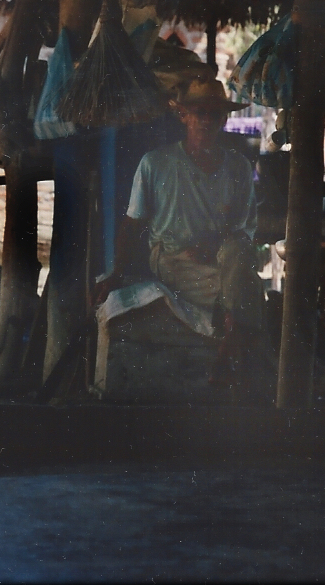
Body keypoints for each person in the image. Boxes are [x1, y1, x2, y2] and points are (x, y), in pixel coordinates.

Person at [94, 77, 268, 389]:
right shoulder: (156, 163)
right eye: (198, 112)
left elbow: (245, 232)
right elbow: (132, 223)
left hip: (222, 262)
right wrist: (115, 274)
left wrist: (214, 244)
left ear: (224, 119)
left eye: (214, 114)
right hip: (175, 260)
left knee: (238, 254)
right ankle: (233, 341)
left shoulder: (239, 167)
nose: (206, 120)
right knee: (251, 292)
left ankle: (228, 343)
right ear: (183, 115)